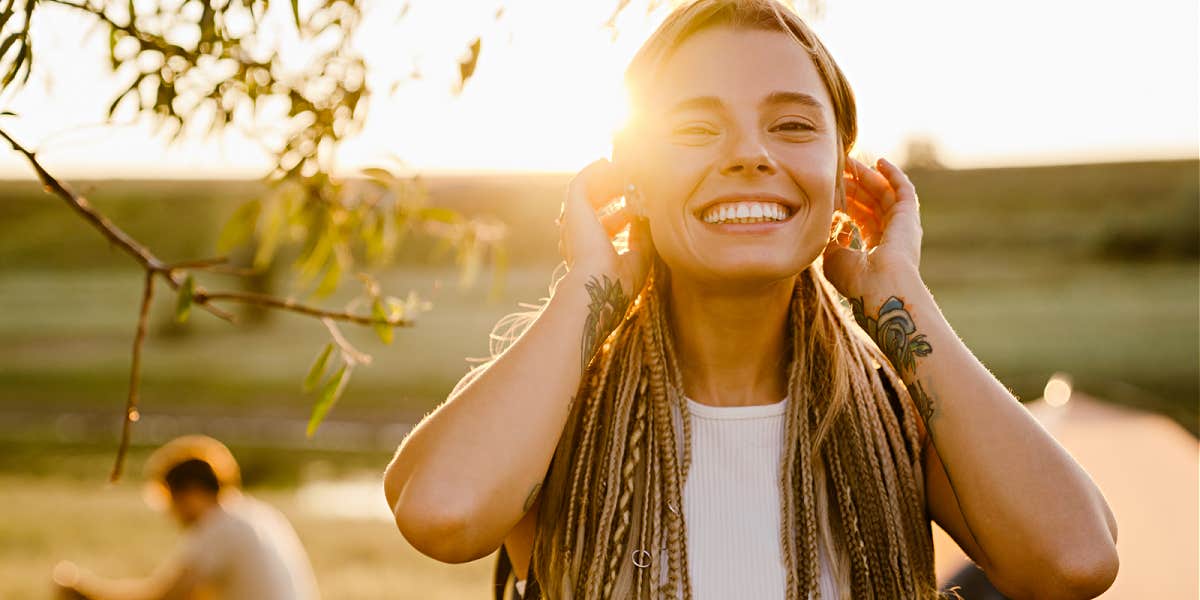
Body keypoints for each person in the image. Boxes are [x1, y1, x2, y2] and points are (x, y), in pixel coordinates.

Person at [383, 1, 1120, 598]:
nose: (749, 154)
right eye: (696, 128)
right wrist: (592, 285)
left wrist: (901, 298)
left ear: (842, 181)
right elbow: (442, 514)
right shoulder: (553, 414)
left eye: (793, 125)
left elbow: (1073, 561)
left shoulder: (902, 420)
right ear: (631, 175)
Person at [53, 435, 320, 600]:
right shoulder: (255, 514)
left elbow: (166, 596)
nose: (171, 514)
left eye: (169, 502)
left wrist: (87, 593)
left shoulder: (219, 526)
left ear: (190, 493)